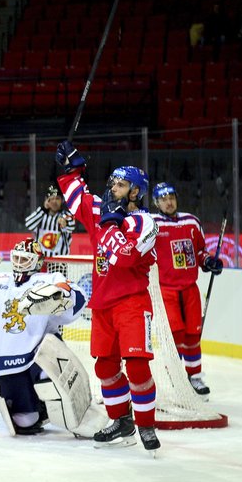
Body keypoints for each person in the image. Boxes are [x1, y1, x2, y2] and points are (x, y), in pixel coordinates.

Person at [54, 142, 162, 455]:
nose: (114, 187)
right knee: (105, 367)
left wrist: (111, 223)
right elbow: (76, 199)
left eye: (122, 184)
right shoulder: (102, 212)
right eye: (113, 182)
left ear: (135, 192)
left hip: (132, 302)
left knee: (138, 367)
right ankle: (121, 421)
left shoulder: (145, 222)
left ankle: (146, 423)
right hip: (102, 303)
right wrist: (72, 168)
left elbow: (126, 257)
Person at [0, 237, 88, 435]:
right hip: (6, 360)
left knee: (53, 385)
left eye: (25, 259)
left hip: (42, 352)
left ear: (37, 261)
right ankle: (39, 411)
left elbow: (77, 295)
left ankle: (72, 409)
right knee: (25, 421)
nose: (19, 263)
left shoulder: (49, 280)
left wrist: (61, 295)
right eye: (17, 258)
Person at [150, 182, 224, 396]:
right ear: (157, 203)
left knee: (193, 335)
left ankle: (195, 377)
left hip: (190, 288)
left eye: (171, 197)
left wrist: (209, 261)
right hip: (166, 289)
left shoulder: (191, 221)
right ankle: (175, 376)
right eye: (163, 199)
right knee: (175, 335)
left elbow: (200, 251)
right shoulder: (152, 224)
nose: (169, 202)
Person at [24, 185, 76, 257]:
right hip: (41, 260)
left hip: (60, 262)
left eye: (57, 198)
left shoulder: (65, 215)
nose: (54, 201)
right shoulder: (40, 215)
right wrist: (43, 209)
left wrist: (65, 223)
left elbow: (72, 226)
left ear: (62, 200)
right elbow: (28, 224)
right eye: (51, 199)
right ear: (46, 200)